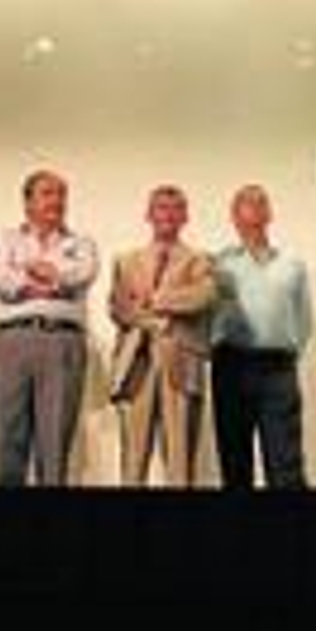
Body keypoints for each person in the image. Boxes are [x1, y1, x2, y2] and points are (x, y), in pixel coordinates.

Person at [0, 169, 99, 486]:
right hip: (13, 341)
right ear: (28, 201)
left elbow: (82, 274)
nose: (57, 201)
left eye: (62, 194)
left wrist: (36, 273)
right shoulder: (6, 238)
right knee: (7, 436)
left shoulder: (81, 242)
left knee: (55, 442)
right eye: (48, 193)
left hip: (62, 342)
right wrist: (44, 280)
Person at [109, 184, 217, 488]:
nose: (167, 214)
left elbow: (202, 297)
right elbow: (119, 309)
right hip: (135, 364)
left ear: (185, 216)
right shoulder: (125, 260)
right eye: (161, 208)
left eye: (175, 208)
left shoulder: (201, 260)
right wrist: (154, 323)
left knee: (180, 458)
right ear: (148, 214)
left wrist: (154, 300)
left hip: (181, 362)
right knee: (133, 458)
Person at [210, 184, 314, 490]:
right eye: (246, 203)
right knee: (234, 459)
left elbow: (304, 319)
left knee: (286, 461)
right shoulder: (218, 264)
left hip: (277, 367)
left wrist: (289, 351)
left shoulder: (292, 264)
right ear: (234, 216)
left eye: (260, 203)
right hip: (231, 364)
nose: (254, 209)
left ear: (270, 213)